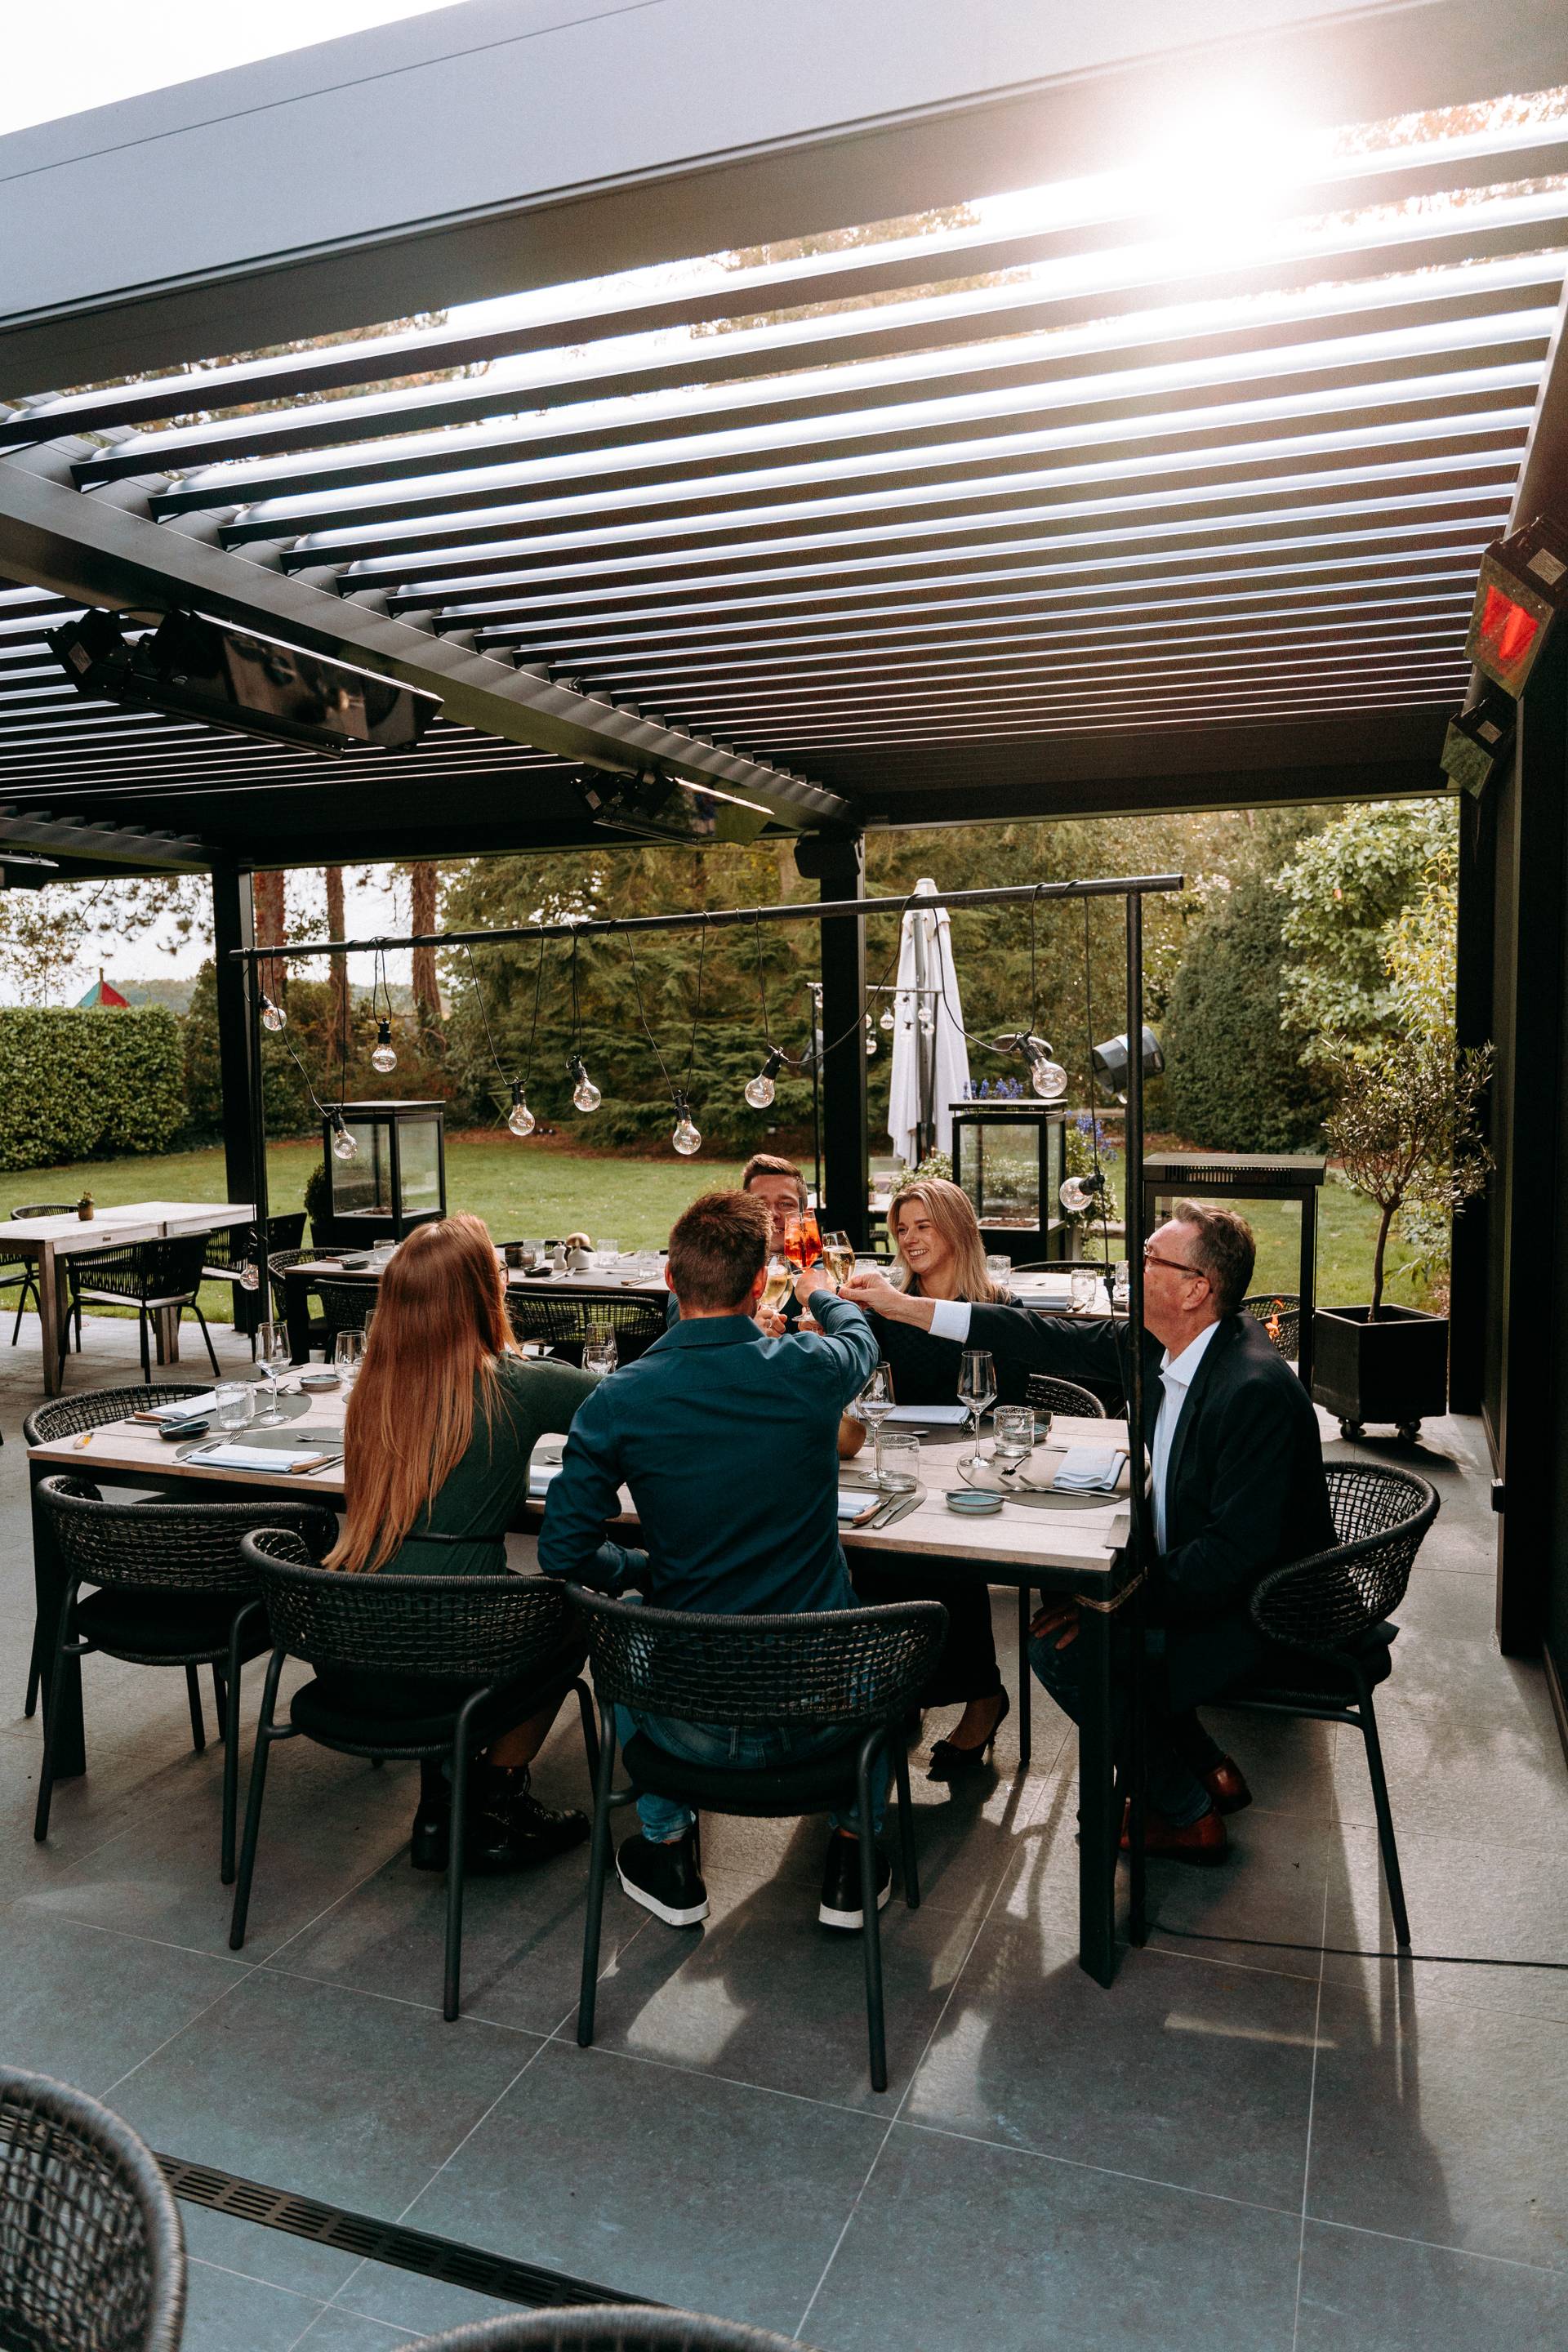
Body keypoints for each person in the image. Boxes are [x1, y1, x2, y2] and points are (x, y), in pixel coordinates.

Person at [844, 1200, 1334, 1862]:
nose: (1136, 1269)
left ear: (1196, 1289)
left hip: (1270, 1613)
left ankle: (1186, 1813)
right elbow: (1035, 1334)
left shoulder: (1253, 1389)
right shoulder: (1174, 1344)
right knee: (1066, 1609)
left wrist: (1117, 1599)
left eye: (1153, 1260)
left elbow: (1235, 1557)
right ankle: (1204, 1764)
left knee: (1066, 1649)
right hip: (1214, 1578)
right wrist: (904, 1308)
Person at [539, 1189, 887, 1932]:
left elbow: (562, 1551)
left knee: (626, 1625)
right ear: (760, 1285)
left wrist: (636, 1573)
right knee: (880, 1639)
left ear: (670, 1280)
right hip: (819, 1712)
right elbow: (863, 1344)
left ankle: (668, 1848)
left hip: (687, 1718)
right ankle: (852, 1854)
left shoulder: (619, 1399)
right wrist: (820, 1289)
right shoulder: (807, 1368)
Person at [324, 1214, 599, 1876]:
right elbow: (638, 1403)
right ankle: (497, 1803)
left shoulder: (369, 1391)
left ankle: (441, 1807)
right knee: (575, 1613)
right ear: (482, 1294)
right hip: (453, 1640)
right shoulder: (515, 1382)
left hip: (347, 1643)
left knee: (451, 1610)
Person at [845, 1176, 1017, 1777]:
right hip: (897, 1464)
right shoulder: (886, 1310)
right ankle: (895, 1686)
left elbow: (1011, 1405)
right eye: (901, 1228)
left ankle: (983, 1696)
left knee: (947, 1547)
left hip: (980, 1470)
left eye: (923, 1225)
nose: (910, 1239)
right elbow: (868, 1396)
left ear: (957, 1228)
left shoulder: (1000, 1309)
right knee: (866, 1548)